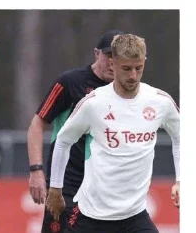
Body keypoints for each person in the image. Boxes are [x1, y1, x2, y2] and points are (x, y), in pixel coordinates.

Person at [46, 34, 180, 232]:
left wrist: (181, 179)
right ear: (113, 63)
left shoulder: (160, 101)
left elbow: (181, 137)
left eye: (138, 68)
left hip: (135, 216)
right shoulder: (93, 103)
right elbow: (64, 140)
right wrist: (55, 189)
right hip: (92, 216)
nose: (133, 76)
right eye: (126, 68)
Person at [26, 30, 122, 233]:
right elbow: (37, 124)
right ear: (97, 53)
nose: (113, 63)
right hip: (66, 181)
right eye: (109, 56)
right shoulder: (71, 81)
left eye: (118, 58)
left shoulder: (126, 90)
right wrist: (36, 170)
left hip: (104, 184)